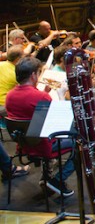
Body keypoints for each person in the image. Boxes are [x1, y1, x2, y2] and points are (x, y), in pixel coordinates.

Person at [5, 56, 76, 196]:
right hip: (42, 146)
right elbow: (59, 124)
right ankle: (57, 180)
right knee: (80, 144)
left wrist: (45, 93)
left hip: (24, 144)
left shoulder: (10, 95)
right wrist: (61, 95)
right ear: (33, 75)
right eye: (39, 73)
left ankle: (47, 176)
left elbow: (27, 110)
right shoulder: (41, 98)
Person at [0, 46, 23, 117]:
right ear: (18, 59)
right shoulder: (16, 73)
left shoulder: (1, 64)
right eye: (23, 56)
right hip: (4, 105)